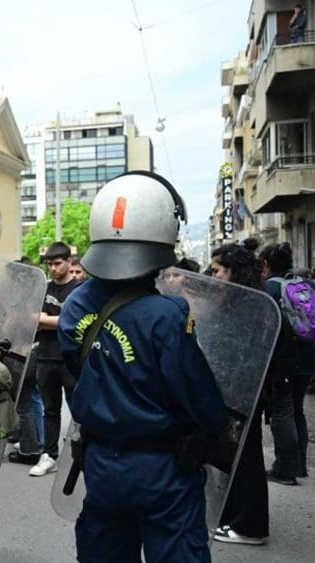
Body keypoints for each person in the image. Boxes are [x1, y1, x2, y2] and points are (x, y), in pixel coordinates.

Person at [58, 171, 228, 562]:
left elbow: (82, 368)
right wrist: (219, 426)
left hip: (101, 462)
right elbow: (194, 393)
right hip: (162, 468)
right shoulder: (167, 314)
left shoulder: (75, 307)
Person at [209, 243, 289, 545]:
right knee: (237, 458)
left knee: (247, 460)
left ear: (233, 271)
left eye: (217, 271)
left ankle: (250, 526)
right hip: (239, 391)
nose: (213, 277)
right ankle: (233, 518)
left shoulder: (255, 304)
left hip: (247, 392)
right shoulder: (244, 301)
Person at [29, 241, 81, 477]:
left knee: (79, 410)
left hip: (71, 359)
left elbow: (74, 323)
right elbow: (34, 318)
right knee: (50, 410)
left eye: (57, 263)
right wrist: (58, 321)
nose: (53, 268)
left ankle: (84, 454)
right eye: (49, 264)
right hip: (46, 357)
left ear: (69, 262)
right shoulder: (43, 289)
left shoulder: (81, 290)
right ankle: (49, 455)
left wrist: (50, 320)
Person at [259, 242, 307, 483]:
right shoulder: (304, 284)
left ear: (265, 265)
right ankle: (300, 465)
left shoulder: (268, 289)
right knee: (296, 410)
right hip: (307, 358)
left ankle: (286, 469)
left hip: (285, 359)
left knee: (282, 412)